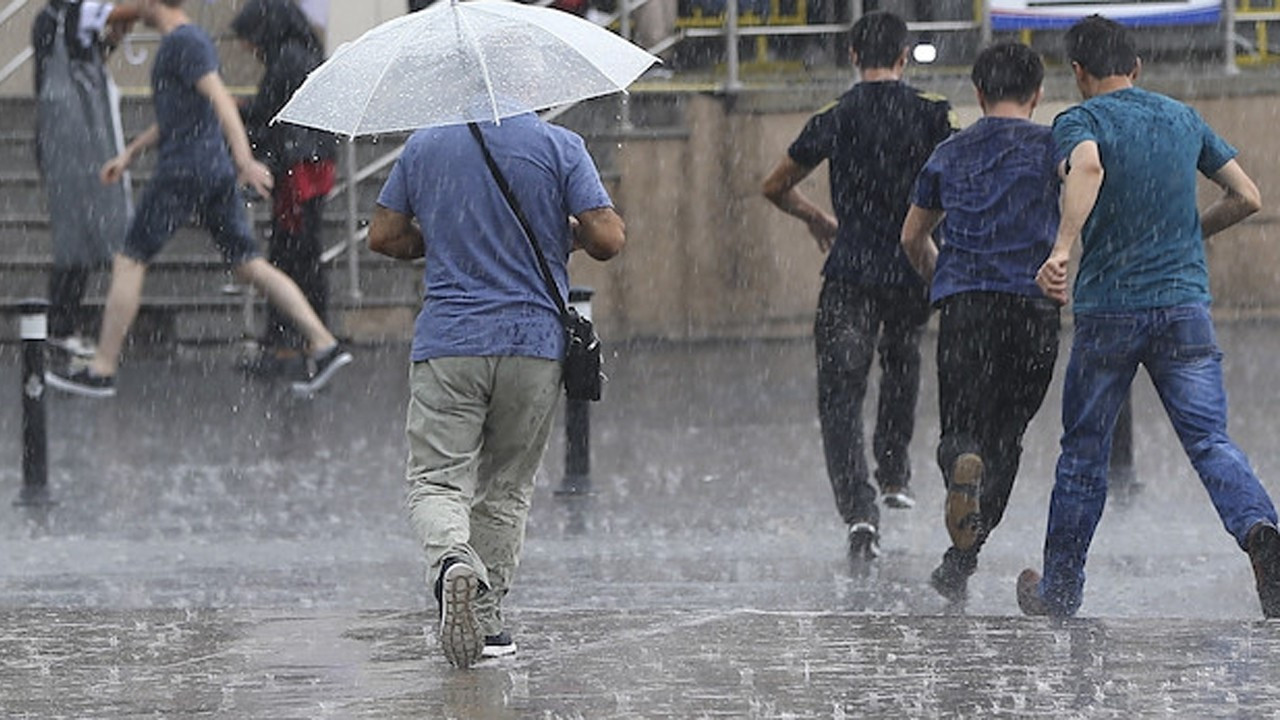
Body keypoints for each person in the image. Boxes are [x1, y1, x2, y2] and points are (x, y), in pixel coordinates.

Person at [1018, 15, 1280, 618]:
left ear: (1078, 71)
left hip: (1110, 310)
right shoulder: (1181, 117)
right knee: (1210, 441)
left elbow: (1087, 168)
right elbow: (1248, 196)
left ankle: (1059, 592)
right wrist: (1187, 235)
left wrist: (1061, 248)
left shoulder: (1080, 119)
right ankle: (1259, 530)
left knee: (1084, 455)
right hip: (1184, 307)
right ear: (1136, 68)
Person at [368, 115, 625, 667]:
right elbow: (608, 238)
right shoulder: (559, 146)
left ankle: (451, 561)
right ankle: (485, 624)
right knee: (506, 487)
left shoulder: (425, 146)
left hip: (451, 342)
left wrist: (442, 238)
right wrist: (565, 234)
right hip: (533, 344)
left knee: (438, 480)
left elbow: (383, 235)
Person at [44, 0, 352, 399]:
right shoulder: (188, 42)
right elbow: (181, 113)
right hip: (209, 168)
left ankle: (102, 369)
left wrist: (244, 161)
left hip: (185, 169)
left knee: (130, 258)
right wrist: (130, 153)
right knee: (249, 264)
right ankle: (324, 344)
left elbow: (221, 101)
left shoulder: (184, 42)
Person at [761, 10, 956, 562]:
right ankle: (894, 471)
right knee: (902, 358)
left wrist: (817, 218)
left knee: (840, 393)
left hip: (849, 271)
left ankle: (859, 513)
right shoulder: (932, 112)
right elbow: (959, 179)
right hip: (911, 266)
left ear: (852, 56)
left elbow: (774, 185)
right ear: (903, 57)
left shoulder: (836, 114)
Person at [900, 42, 1061, 604]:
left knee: (961, 430)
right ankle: (961, 561)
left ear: (978, 92)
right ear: (1037, 94)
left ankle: (960, 468)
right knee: (1007, 436)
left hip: (967, 306)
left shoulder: (950, 152)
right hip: (1035, 307)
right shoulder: (1055, 147)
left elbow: (912, 236)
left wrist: (944, 279)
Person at [231, 0, 338, 377]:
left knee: (291, 254)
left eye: (249, 39)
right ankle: (300, 341)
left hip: (298, 171)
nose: (248, 48)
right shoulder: (302, 52)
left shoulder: (287, 58)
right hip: (310, 164)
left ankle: (291, 343)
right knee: (299, 254)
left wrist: (234, 113)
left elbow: (270, 114)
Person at [32, 0, 140, 359]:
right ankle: (60, 326)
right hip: (69, 141)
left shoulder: (60, 20)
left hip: (70, 139)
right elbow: (127, 11)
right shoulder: (68, 13)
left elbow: (85, 55)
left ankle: (61, 324)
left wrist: (110, 41)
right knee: (74, 236)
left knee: (78, 234)